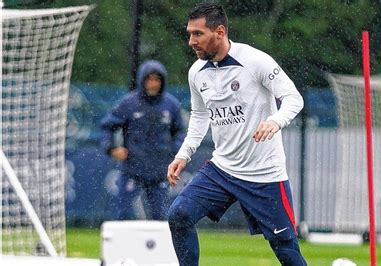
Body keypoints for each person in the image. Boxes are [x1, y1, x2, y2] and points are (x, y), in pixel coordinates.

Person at [167, 3, 307, 265]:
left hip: (265, 174)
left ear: (219, 32)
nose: (191, 41)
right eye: (189, 34)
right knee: (179, 215)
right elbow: (199, 115)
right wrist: (184, 153)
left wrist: (275, 121)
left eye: (198, 34)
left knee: (287, 252)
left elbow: (293, 98)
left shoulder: (256, 61)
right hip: (222, 170)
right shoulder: (196, 72)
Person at [101, 60, 185, 221]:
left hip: (160, 171)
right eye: (149, 79)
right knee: (123, 215)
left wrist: (175, 151)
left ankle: (160, 247)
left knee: (160, 218)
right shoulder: (129, 103)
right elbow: (107, 126)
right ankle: (122, 246)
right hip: (132, 169)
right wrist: (111, 148)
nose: (153, 84)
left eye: (157, 80)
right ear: (142, 80)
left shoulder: (171, 104)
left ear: (162, 81)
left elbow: (180, 132)